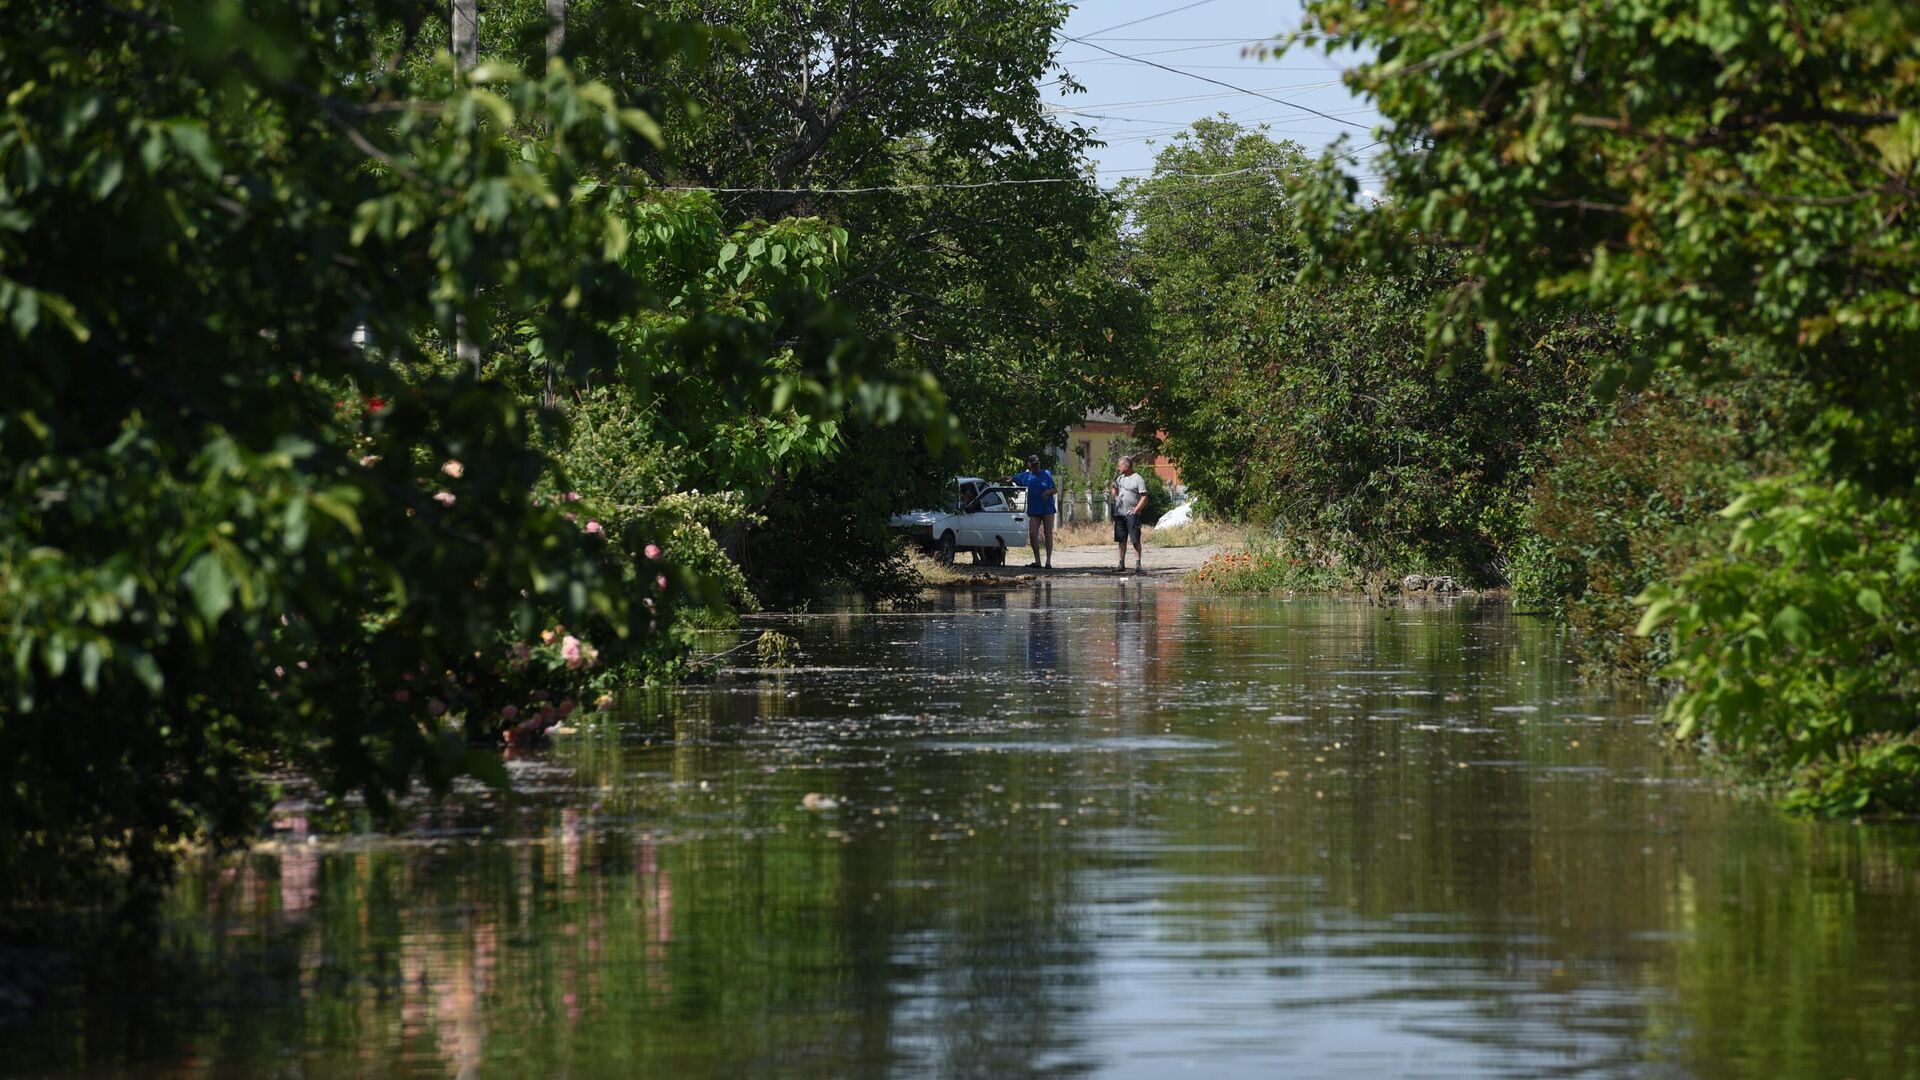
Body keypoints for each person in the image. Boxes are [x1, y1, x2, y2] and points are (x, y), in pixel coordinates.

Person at [1010, 454, 1057, 568]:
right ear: (1029, 465)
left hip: (1047, 508)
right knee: (1032, 533)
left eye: (1037, 464)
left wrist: (1048, 492)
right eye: (1034, 464)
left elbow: (1054, 489)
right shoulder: (1025, 476)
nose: (1036, 466)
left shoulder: (1046, 473)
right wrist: (996, 478)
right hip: (1034, 508)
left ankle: (1048, 562)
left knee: (1048, 533)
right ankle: (1037, 561)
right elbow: (1010, 478)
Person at [1109, 455, 1147, 572]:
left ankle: (1138, 565)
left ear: (1126, 466)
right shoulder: (1120, 479)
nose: (1118, 467)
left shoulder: (1138, 479)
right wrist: (1115, 492)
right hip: (1120, 514)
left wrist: (1136, 510)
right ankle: (1121, 564)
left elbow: (1144, 497)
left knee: (1135, 539)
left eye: (1120, 465)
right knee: (1121, 540)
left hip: (1132, 514)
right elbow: (1115, 491)